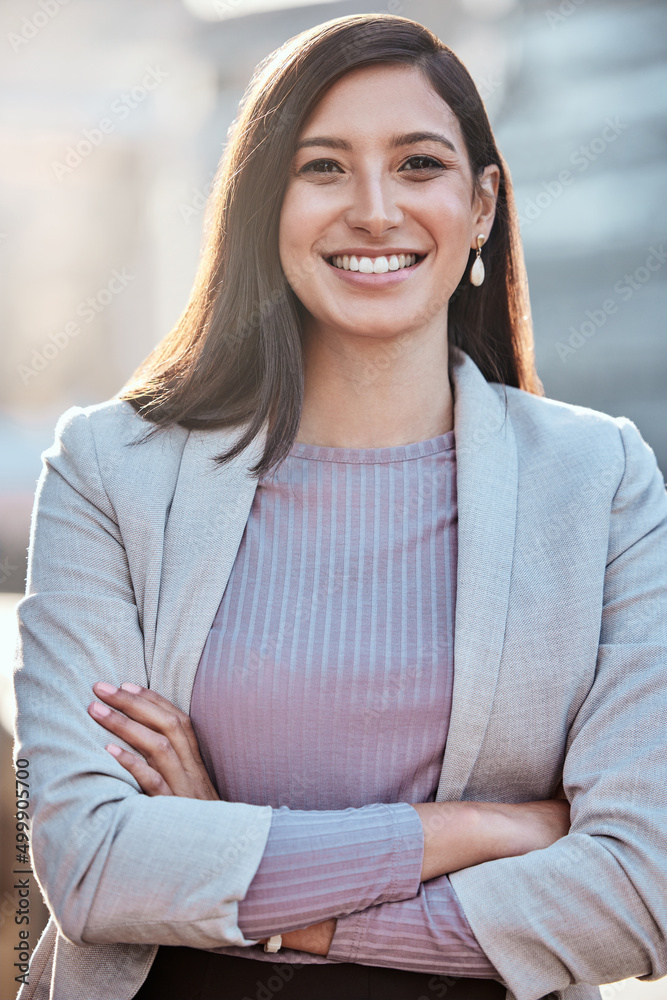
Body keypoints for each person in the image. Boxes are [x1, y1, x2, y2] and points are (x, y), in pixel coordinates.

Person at [12, 13, 667, 1000]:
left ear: (480, 202)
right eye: (323, 167)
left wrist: (251, 884)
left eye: (417, 165)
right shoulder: (112, 472)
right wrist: (484, 829)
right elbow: (97, 864)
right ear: (265, 201)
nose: (372, 208)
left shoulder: (601, 482)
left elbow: (635, 888)